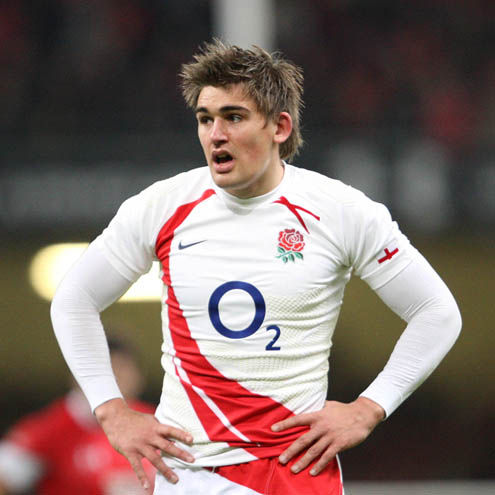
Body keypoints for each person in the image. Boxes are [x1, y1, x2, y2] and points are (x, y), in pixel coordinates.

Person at [49, 40, 462, 495]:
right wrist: (111, 412)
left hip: (294, 469)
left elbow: (437, 312)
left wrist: (369, 408)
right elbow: (74, 300)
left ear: (280, 127)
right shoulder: (161, 207)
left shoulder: (341, 212)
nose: (215, 134)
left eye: (233, 117)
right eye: (205, 119)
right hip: (190, 472)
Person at [0, 336, 156, 495]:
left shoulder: (153, 422)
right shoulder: (52, 428)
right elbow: (5, 475)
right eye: (106, 370)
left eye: (121, 370)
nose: (114, 380)